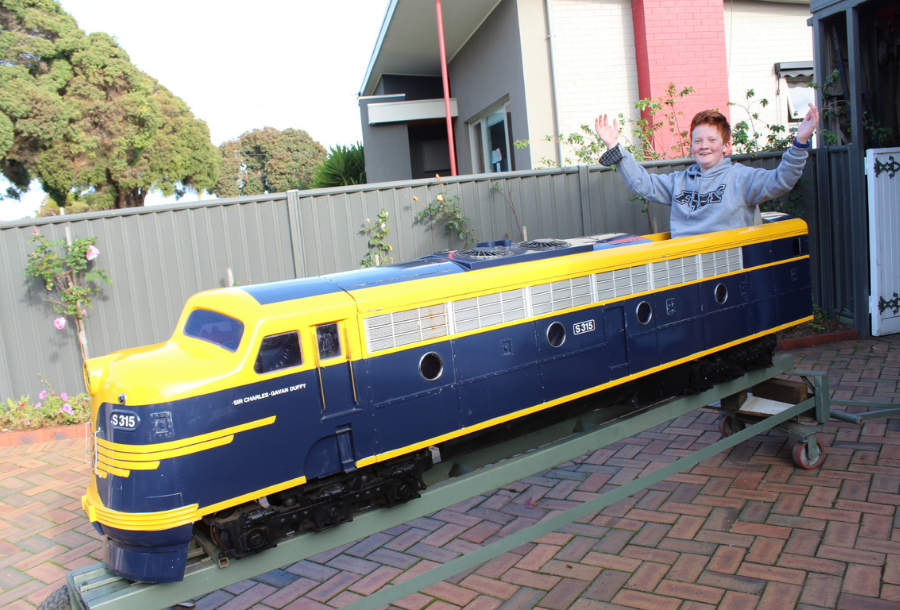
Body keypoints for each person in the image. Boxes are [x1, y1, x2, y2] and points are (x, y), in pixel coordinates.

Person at [593, 104, 820, 238]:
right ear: (691, 145)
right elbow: (643, 184)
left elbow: (781, 181)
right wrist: (614, 147)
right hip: (687, 269)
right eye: (698, 140)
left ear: (726, 146)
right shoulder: (680, 181)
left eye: (712, 139)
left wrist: (800, 141)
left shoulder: (741, 179)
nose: (704, 146)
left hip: (730, 271)